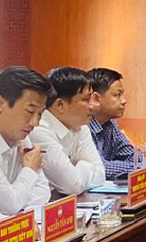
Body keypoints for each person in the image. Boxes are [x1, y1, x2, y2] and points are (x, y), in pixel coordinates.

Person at [29, 67, 105, 195]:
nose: (92, 106)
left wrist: (78, 172)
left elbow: (101, 174)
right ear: (60, 105)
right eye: (86, 100)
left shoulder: (80, 124)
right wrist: (85, 165)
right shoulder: (38, 128)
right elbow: (71, 186)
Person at [0, 66, 52, 216]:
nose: (35, 122)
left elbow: (43, 192)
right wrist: (29, 169)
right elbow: (9, 205)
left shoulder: (21, 138)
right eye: (30, 111)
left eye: (40, 114)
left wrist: (17, 202)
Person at [87, 68, 135, 180]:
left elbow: (130, 154)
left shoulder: (110, 122)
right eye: (117, 95)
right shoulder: (82, 124)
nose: (124, 101)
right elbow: (100, 167)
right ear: (96, 98)